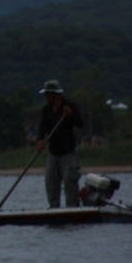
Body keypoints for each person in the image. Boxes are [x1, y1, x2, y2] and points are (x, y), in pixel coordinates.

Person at [36, 79, 85, 208]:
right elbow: (42, 127)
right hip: (53, 153)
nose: (46, 97)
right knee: (50, 183)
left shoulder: (69, 106)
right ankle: (54, 208)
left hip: (68, 153)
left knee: (70, 183)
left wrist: (70, 116)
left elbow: (80, 123)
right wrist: (40, 140)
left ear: (55, 95)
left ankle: (73, 208)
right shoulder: (46, 110)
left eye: (48, 94)